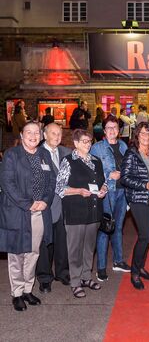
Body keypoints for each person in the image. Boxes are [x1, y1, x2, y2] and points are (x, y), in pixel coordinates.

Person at [0, 121, 56, 311]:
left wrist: (45, 201)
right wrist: (29, 204)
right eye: (28, 132)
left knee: (33, 253)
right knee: (17, 255)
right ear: (22, 135)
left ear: (41, 136)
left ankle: (27, 289)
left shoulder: (44, 154)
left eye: (36, 133)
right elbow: (8, 185)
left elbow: (51, 182)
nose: (33, 136)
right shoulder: (11, 155)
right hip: (18, 212)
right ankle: (16, 293)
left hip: (40, 212)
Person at [56, 129, 107, 298]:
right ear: (76, 143)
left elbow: (103, 182)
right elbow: (59, 188)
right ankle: (75, 281)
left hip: (93, 212)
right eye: (84, 141)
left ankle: (86, 277)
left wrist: (103, 190)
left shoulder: (96, 161)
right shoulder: (68, 161)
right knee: (75, 250)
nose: (88, 144)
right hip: (75, 212)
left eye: (89, 141)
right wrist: (78, 191)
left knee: (88, 248)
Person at [90, 116, 130, 282]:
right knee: (105, 228)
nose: (113, 130)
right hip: (107, 192)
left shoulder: (123, 145)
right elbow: (91, 170)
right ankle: (100, 267)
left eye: (115, 127)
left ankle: (118, 261)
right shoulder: (97, 148)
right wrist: (109, 176)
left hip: (122, 192)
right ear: (104, 130)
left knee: (118, 227)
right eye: (109, 127)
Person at [120, 122, 149, 290]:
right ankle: (135, 272)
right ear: (137, 135)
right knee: (144, 235)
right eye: (143, 133)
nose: (146, 137)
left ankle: (141, 267)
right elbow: (125, 178)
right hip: (138, 199)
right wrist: (145, 185)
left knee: (147, 236)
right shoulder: (132, 153)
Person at [35, 123, 71, 294]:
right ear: (44, 134)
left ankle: (62, 273)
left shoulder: (66, 152)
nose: (57, 136)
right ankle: (44, 278)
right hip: (44, 205)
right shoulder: (37, 153)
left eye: (59, 133)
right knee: (45, 243)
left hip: (63, 205)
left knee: (62, 241)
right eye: (53, 133)